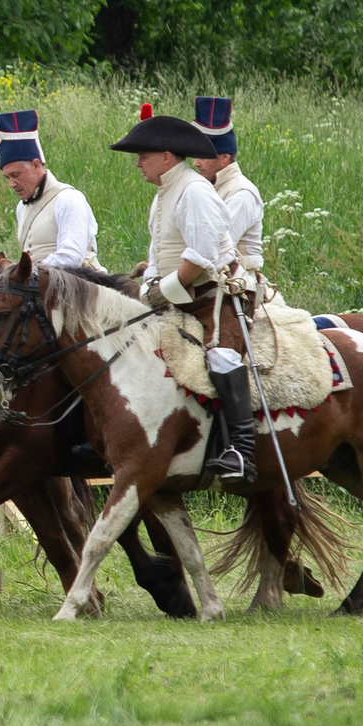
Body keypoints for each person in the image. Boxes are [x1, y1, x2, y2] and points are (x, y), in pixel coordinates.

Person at [110, 106, 252, 485]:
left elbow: (202, 258)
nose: (138, 163)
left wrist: (162, 295)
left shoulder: (193, 191)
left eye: (143, 156)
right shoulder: (162, 195)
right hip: (181, 296)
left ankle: (241, 449)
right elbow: (159, 256)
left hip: (217, 296)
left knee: (221, 357)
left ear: (167, 157)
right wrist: (149, 292)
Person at [0, 109, 98, 271]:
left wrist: (30, 273)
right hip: (40, 290)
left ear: (36, 165)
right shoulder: (21, 208)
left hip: (80, 289)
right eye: (7, 177)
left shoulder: (69, 199)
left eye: (15, 175)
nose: (11, 184)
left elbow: (72, 257)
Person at [191, 94, 266, 284]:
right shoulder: (206, 188)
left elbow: (215, 248)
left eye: (202, 156)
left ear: (224, 157)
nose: (195, 163)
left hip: (239, 286)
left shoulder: (242, 193)